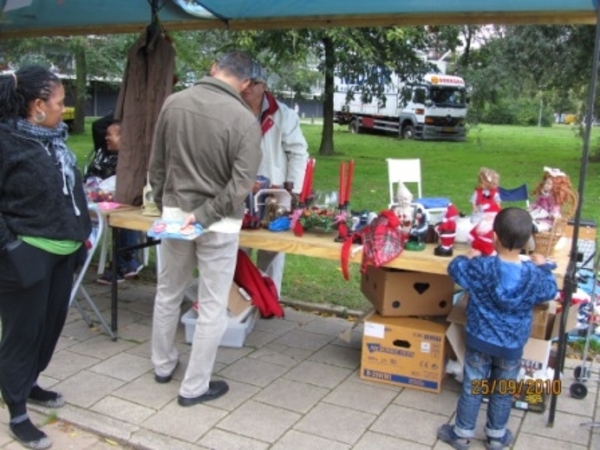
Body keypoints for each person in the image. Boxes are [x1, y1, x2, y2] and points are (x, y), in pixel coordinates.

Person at [149, 51, 262, 407]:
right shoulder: (245, 119)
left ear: (214, 69)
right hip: (219, 222)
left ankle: (162, 365)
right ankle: (194, 386)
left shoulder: (174, 103)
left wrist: (167, 207)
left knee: (168, 291)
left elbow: (157, 164)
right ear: (245, 83)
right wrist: (204, 215)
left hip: (177, 214)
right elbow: (242, 184)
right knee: (213, 305)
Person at [0, 65, 91, 450]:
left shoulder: (54, 138)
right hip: (26, 256)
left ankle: (29, 382)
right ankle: (17, 411)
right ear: (37, 105)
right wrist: (12, 248)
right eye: (59, 102)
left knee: (48, 328)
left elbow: (70, 192)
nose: (63, 108)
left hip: (63, 253)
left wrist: (81, 236)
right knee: (22, 335)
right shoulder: (6, 142)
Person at [437, 207, 558, 450]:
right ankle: (496, 436)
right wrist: (544, 266)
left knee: (474, 385)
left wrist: (466, 257)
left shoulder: (481, 267)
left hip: (480, 339)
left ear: (494, 237)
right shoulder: (533, 274)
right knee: (503, 390)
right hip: (512, 345)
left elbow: (454, 269)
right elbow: (550, 291)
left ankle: (461, 434)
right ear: (527, 242)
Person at [240, 68, 309, 297]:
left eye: (253, 83)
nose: (247, 88)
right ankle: (236, 300)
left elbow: (298, 152)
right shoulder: (231, 109)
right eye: (244, 82)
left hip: (274, 191)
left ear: (264, 85)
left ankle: (268, 300)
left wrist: (294, 189)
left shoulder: (284, 114)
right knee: (236, 247)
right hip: (238, 188)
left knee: (273, 248)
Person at [86, 121, 145, 284]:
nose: (106, 138)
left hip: (127, 204)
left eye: (109, 134)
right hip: (104, 199)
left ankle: (123, 263)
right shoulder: (105, 156)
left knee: (124, 211)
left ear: (123, 138)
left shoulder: (132, 161)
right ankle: (127, 262)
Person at [529, 166, 577, 232]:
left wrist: (553, 214)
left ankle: (537, 228)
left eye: (549, 184)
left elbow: (555, 208)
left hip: (548, 219)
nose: (546, 185)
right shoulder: (542, 194)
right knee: (529, 219)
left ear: (555, 186)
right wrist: (532, 207)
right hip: (539, 214)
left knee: (543, 226)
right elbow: (537, 203)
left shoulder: (553, 198)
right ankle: (532, 226)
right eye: (546, 183)